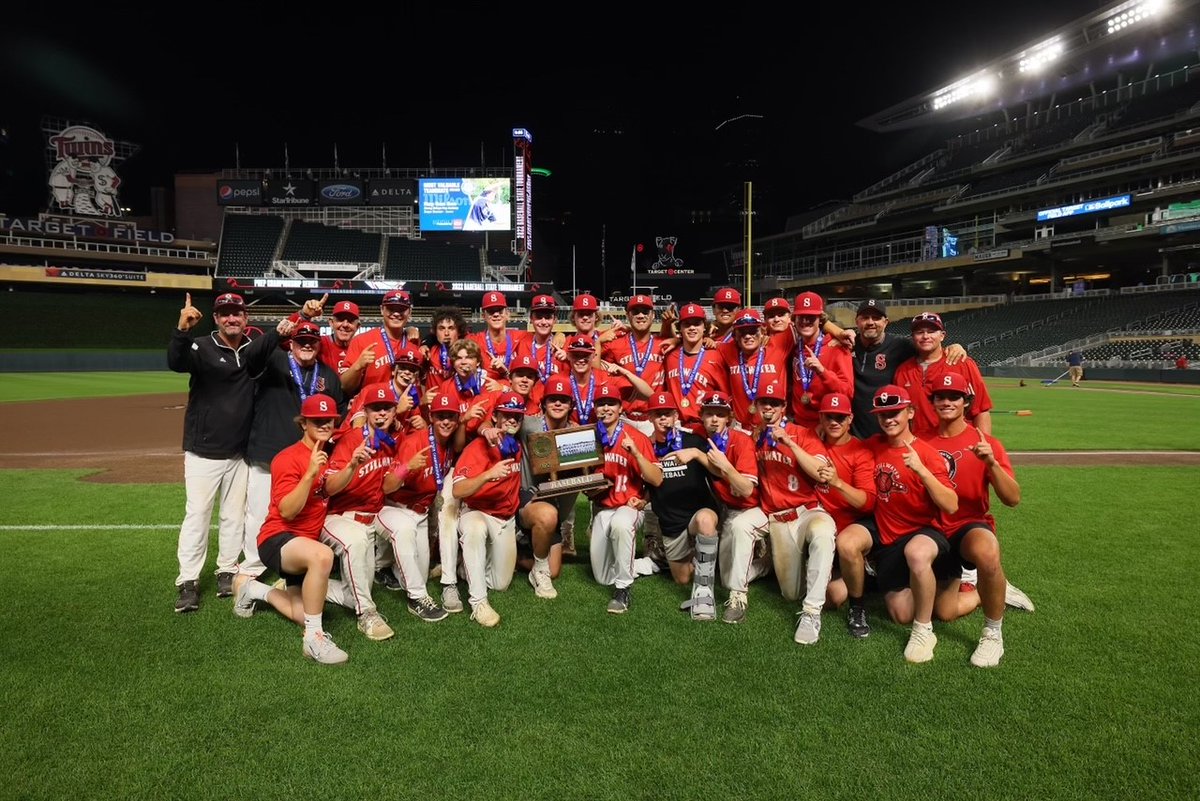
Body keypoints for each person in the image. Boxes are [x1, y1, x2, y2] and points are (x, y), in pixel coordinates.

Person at [168, 291, 281, 612]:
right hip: (204, 452)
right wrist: (182, 329)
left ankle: (227, 569)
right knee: (198, 515)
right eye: (225, 313)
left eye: (238, 313)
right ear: (216, 319)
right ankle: (188, 580)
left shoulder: (251, 350)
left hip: (239, 452)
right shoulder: (201, 347)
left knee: (234, 516)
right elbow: (175, 363)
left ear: (246, 319)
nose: (232, 318)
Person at [837, 384, 959, 663]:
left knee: (918, 559)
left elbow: (951, 504)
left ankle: (925, 629)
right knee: (900, 614)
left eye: (895, 413)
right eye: (883, 414)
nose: (889, 419)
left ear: (911, 412)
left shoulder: (926, 454)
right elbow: (842, 444)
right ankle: (860, 606)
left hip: (922, 532)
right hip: (885, 533)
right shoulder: (872, 445)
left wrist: (922, 471)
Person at [229, 394, 350, 665]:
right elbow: (287, 510)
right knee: (322, 556)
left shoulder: (325, 454)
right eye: (316, 420)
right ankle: (313, 639)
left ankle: (253, 590)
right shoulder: (288, 458)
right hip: (278, 538)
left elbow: (330, 487)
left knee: (300, 611)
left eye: (328, 420)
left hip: (303, 543)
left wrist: (351, 465)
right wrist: (308, 474)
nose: (323, 424)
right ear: (303, 423)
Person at [927, 372, 1030, 667]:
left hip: (968, 524)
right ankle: (989, 590)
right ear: (932, 402)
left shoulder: (986, 443)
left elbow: (1013, 499)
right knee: (945, 612)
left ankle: (993, 633)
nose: (947, 402)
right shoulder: (921, 440)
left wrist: (992, 464)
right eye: (940, 397)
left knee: (986, 551)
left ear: (966, 402)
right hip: (933, 529)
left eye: (954, 396)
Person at [242, 320, 347, 578]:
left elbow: (340, 413)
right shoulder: (274, 360)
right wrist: (276, 332)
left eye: (312, 341)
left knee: (305, 512)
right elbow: (249, 358)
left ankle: (292, 566)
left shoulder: (328, 375)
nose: (307, 345)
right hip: (270, 451)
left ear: (319, 345)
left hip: (309, 460)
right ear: (291, 342)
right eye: (301, 340)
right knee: (259, 512)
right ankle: (253, 570)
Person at [753, 381, 838, 644]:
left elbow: (820, 474)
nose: (769, 408)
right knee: (790, 593)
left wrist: (790, 442)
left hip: (806, 512)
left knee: (823, 532)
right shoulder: (754, 437)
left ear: (784, 407)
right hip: (778, 520)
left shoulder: (802, 433)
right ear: (757, 407)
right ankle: (770, 563)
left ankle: (812, 612)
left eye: (775, 403)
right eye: (764, 403)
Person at [318, 383, 399, 641]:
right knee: (356, 543)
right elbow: (329, 488)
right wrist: (352, 465)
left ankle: (298, 585)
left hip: (368, 521)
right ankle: (367, 614)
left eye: (387, 408)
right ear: (366, 411)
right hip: (338, 517)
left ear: (395, 412)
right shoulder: (351, 441)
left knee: (353, 589)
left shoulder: (390, 442)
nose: (382, 414)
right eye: (376, 409)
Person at [375, 392, 457, 622]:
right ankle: (417, 599)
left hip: (419, 513)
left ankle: (383, 566)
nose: (446, 421)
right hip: (393, 507)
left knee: (417, 574)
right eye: (440, 416)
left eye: (450, 416)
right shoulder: (415, 442)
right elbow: (387, 486)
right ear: (431, 417)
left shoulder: (449, 444)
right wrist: (407, 467)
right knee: (403, 531)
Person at [642, 392, 722, 620]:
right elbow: (648, 484)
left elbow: (719, 474)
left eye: (667, 414)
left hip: (698, 513)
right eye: (658, 415)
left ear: (676, 415)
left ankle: (704, 595)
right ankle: (703, 560)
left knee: (706, 521)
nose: (663, 419)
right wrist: (642, 499)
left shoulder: (693, 441)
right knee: (682, 579)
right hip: (671, 522)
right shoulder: (646, 446)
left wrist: (697, 455)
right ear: (650, 417)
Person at [451, 391, 526, 628]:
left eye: (517, 416)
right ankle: (478, 602)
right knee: (474, 528)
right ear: (496, 417)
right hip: (477, 511)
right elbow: (458, 490)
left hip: (505, 519)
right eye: (507, 415)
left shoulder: (516, 445)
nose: (512, 420)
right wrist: (487, 475)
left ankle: (465, 566)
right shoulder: (477, 447)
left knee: (500, 584)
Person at [587, 383, 663, 614]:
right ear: (595, 408)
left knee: (621, 524)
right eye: (601, 404)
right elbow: (587, 483)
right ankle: (648, 564)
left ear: (620, 408)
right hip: (604, 508)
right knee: (602, 576)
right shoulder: (590, 437)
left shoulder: (636, 438)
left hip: (630, 507)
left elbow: (657, 479)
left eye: (611, 403)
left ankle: (623, 589)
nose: (606, 408)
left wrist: (637, 455)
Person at [697, 391, 769, 624]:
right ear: (702, 416)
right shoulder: (699, 436)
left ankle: (765, 567)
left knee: (729, 579)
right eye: (709, 414)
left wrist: (726, 466)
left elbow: (747, 489)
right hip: (725, 507)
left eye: (720, 414)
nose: (714, 420)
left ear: (729, 417)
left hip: (750, 508)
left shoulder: (741, 440)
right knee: (724, 577)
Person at [848, 300, 965, 439]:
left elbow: (928, 346)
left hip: (889, 432)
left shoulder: (901, 346)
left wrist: (954, 347)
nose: (870, 322)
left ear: (886, 322)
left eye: (876, 318)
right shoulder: (847, 343)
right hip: (854, 434)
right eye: (865, 317)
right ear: (857, 321)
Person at [810, 393, 876, 610]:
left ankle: (862, 576)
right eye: (829, 417)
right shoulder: (813, 444)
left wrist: (837, 482)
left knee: (833, 597)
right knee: (815, 593)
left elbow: (867, 503)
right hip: (821, 526)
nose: (834, 422)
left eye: (840, 418)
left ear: (850, 419)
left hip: (850, 526)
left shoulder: (860, 452)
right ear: (820, 419)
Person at [515, 377, 579, 596]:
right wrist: (487, 429)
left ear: (571, 404)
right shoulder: (529, 424)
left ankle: (518, 553)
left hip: (554, 505)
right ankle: (532, 562)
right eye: (553, 399)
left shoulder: (576, 434)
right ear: (543, 403)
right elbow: (497, 419)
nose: (558, 404)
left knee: (554, 571)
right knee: (548, 514)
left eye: (563, 400)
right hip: (527, 500)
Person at [894, 311, 993, 438]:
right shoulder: (902, 370)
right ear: (913, 337)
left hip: (956, 445)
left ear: (942, 335)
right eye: (920, 332)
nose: (925, 336)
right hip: (918, 446)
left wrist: (984, 444)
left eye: (931, 331)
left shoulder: (962, 363)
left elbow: (980, 410)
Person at [716, 309, 790, 431]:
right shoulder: (727, 351)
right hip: (742, 429)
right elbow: (697, 343)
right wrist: (676, 339)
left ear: (762, 331)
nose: (748, 336)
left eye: (753, 331)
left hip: (775, 428)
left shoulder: (776, 346)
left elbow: (802, 323)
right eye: (742, 332)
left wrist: (833, 330)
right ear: (735, 336)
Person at [787, 292, 853, 428]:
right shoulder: (794, 347)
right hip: (797, 424)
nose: (805, 321)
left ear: (821, 320)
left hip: (826, 426)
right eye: (801, 316)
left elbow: (847, 392)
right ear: (794, 319)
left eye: (811, 317)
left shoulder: (837, 348)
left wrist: (823, 372)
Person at [661, 303, 728, 433]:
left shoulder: (716, 356)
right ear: (680, 328)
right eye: (686, 324)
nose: (692, 328)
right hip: (675, 425)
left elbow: (725, 396)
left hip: (705, 427)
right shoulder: (670, 355)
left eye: (696, 323)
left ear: (705, 327)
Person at [341, 289, 421, 395]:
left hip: (406, 408)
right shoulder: (361, 340)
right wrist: (358, 366)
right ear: (382, 310)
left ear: (410, 312)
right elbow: (344, 386)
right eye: (391, 308)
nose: (396, 313)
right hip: (375, 409)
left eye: (401, 309)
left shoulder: (414, 341)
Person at [471, 291, 531, 382]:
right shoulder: (474, 341)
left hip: (513, 393)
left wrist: (559, 335)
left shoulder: (522, 336)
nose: (496, 314)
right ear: (484, 316)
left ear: (507, 314)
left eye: (500, 310)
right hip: (487, 393)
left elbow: (543, 339)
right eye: (491, 311)